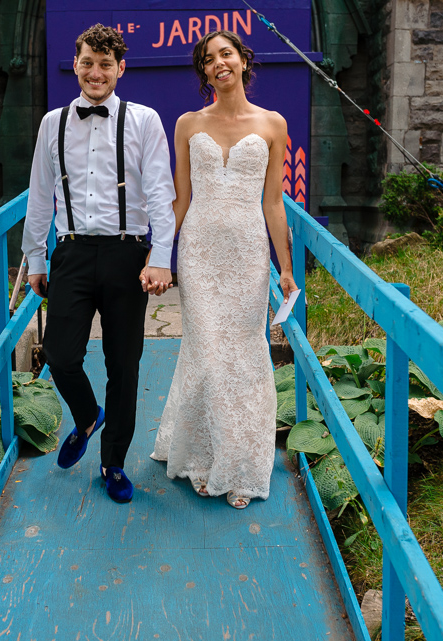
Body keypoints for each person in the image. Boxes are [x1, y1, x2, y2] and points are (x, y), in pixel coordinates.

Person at [21, 24, 175, 504]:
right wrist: (34, 258)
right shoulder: (53, 123)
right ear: (77, 63)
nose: (96, 72)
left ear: (120, 69)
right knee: (60, 354)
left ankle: (113, 463)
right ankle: (88, 416)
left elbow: (161, 194)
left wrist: (162, 257)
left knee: (123, 364)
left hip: (128, 255)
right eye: (88, 62)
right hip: (69, 252)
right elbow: (40, 195)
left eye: (106, 64)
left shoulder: (144, 120)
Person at [149, 30, 298, 510]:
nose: (219, 63)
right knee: (208, 354)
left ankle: (242, 466)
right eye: (209, 59)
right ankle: (205, 456)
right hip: (200, 251)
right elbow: (181, 198)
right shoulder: (187, 124)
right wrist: (159, 257)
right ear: (204, 72)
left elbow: (274, 203)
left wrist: (286, 269)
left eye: (226, 54)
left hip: (249, 252)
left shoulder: (273, 124)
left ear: (243, 60)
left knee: (247, 358)